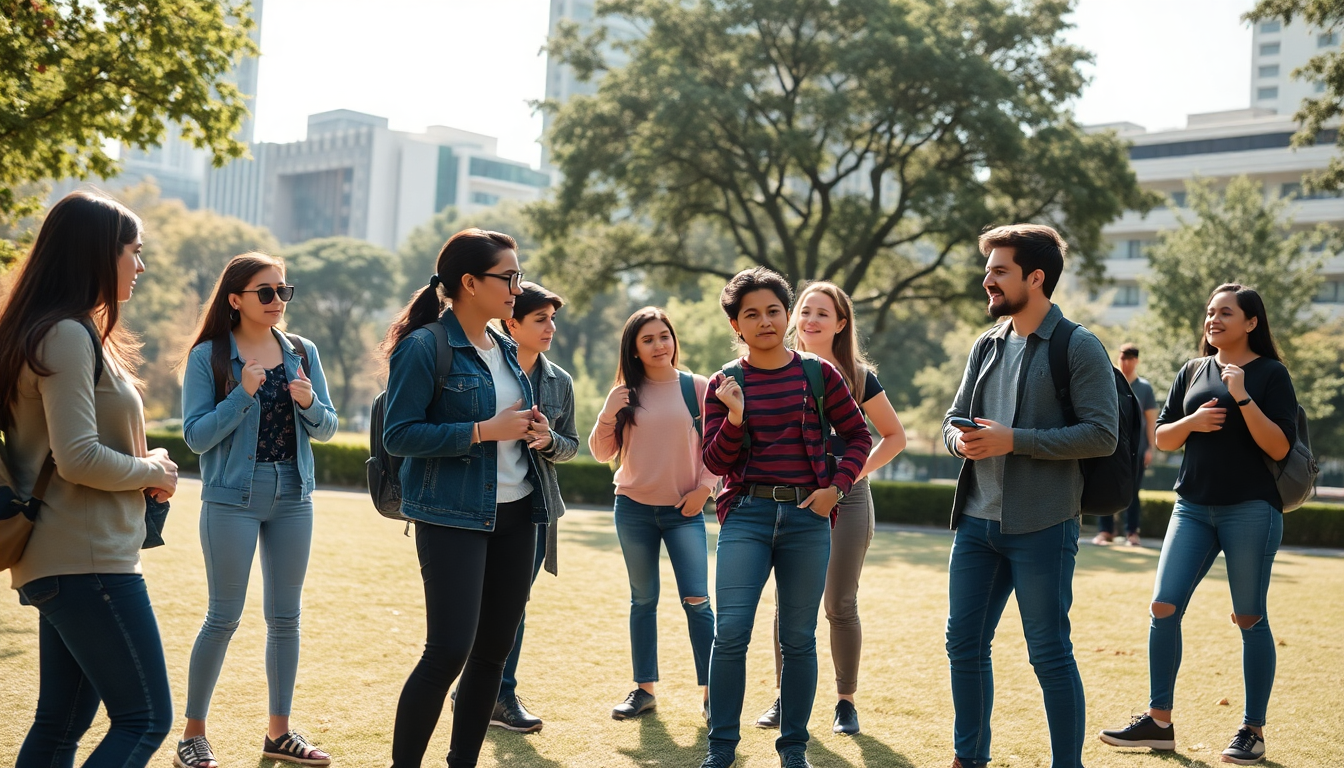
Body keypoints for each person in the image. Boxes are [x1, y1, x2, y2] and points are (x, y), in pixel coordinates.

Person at [0, 191, 180, 768]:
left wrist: (138, 463)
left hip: (67, 560)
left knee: (59, 726)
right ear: (96, 253)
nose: (141, 265)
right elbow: (77, 458)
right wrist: (151, 470)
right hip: (87, 558)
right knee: (146, 719)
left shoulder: (52, 331)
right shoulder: (67, 335)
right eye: (134, 251)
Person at [941, 224, 1118, 768]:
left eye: (999, 270)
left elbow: (1102, 433)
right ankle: (969, 759)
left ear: (1035, 278)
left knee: (1048, 653)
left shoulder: (1079, 346)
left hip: (1043, 524)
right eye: (988, 268)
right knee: (963, 646)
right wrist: (960, 440)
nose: (987, 280)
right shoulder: (987, 343)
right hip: (976, 524)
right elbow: (952, 418)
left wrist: (1014, 441)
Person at [1099, 284, 1297, 766]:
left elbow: (1280, 448)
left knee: (1250, 616)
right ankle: (1159, 721)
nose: (1213, 320)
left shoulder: (1272, 374)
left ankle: (1253, 730)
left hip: (1251, 508)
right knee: (1163, 605)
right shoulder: (1192, 370)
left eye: (1225, 313)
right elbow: (1163, 437)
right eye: (1210, 312)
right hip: (1192, 507)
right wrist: (1191, 423)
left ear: (1251, 322)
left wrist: (1242, 398)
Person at [381, 228, 550, 768]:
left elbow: (505, 424)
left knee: (492, 657)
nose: (517, 288)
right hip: (452, 515)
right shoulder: (424, 346)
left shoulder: (503, 345)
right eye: (509, 277)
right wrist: (483, 430)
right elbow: (398, 434)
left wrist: (527, 428)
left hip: (519, 513)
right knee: (449, 650)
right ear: (470, 283)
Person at [698, 268, 873, 768]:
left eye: (774, 310)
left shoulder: (818, 374)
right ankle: (721, 749)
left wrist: (835, 490)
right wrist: (734, 417)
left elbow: (860, 437)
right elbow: (715, 463)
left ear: (787, 314)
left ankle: (793, 750)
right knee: (730, 632)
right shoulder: (723, 383)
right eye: (751, 313)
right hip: (746, 517)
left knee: (798, 638)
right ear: (736, 324)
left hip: (806, 519)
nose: (765, 320)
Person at [176, 253, 340, 768]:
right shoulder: (209, 356)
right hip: (231, 499)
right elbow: (196, 437)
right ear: (235, 299)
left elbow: (328, 427)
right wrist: (243, 394)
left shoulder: (301, 351)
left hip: (293, 495)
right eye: (265, 292)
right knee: (222, 616)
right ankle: (193, 734)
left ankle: (279, 732)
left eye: (282, 292)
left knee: (285, 619)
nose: (276, 301)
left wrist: (310, 403)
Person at [755, 281, 907, 736]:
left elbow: (893, 436)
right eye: (804, 311)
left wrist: (848, 479)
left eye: (822, 313)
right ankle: (786, 698)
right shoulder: (775, 369)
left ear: (841, 324)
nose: (811, 320)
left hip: (848, 497)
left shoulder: (859, 377)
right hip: (793, 497)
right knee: (787, 604)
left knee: (840, 604)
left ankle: (845, 703)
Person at [588, 307, 719, 721]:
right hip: (633, 509)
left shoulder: (696, 387)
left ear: (674, 340)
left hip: (685, 511)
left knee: (697, 600)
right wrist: (609, 409)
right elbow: (600, 451)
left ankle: (714, 691)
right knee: (642, 600)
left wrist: (704, 487)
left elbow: (721, 445)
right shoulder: (626, 394)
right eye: (648, 339)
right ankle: (644, 690)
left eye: (664, 336)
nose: (659, 345)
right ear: (635, 349)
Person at [487, 281, 579, 732]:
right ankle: (474, 688)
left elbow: (571, 445)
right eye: (540, 319)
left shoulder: (559, 381)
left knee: (513, 604)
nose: (550, 328)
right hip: (477, 502)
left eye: (552, 319)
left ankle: (501, 695)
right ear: (512, 323)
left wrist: (548, 440)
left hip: (534, 508)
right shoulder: (483, 367)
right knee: (470, 604)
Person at [1092, 343, 1158, 547]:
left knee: (1132, 492)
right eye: (1122, 358)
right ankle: (1105, 531)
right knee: (1104, 487)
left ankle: (1132, 533)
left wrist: (1150, 449)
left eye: (1130, 359)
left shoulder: (1144, 388)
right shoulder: (1110, 381)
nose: (1125, 362)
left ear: (1136, 361)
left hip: (1135, 451)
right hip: (1109, 447)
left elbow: (1151, 421)